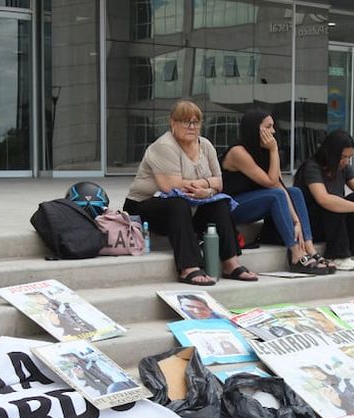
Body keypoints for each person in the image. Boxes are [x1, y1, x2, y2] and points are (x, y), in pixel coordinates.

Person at [124, 100, 257, 286]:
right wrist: (207, 185)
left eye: (196, 122)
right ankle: (189, 267)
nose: (191, 126)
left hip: (191, 204)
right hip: (146, 207)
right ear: (172, 123)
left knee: (219, 204)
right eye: (186, 121)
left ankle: (230, 263)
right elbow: (171, 187)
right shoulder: (164, 146)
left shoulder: (206, 146)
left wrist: (207, 191)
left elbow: (220, 182)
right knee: (178, 203)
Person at [221, 109, 330, 274]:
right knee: (276, 195)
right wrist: (274, 150)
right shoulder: (238, 152)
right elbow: (271, 183)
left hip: (256, 201)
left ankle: (309, 246)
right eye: (269, 126)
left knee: (295, 192)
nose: (273, 131)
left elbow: (280, 185)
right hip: (233, 206)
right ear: (255, 129)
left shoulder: (263, 149)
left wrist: (297, 221)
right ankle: (295, 253)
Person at [294, 130, 354, 271]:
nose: (346, 161)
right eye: (343, 157)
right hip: (312, 223)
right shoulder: (312, 167)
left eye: (349, 157)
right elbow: (323, 199)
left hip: (333, 222)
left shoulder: (344, 168)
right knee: (335, 203)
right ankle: (337, 255)